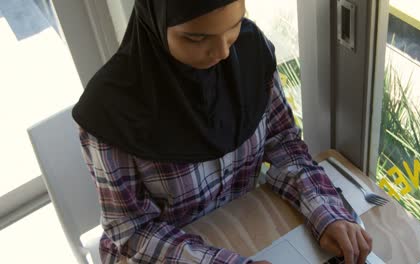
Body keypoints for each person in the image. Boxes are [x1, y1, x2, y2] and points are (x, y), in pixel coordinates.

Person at [72, 0, 372, 263]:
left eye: (235, 24)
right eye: (196, 37)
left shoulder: (251, 50)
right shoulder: (110, 111)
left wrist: (326, 210)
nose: (224, 52)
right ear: (155, 20)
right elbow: (133, 230)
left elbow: (284, 143)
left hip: (246, 224)